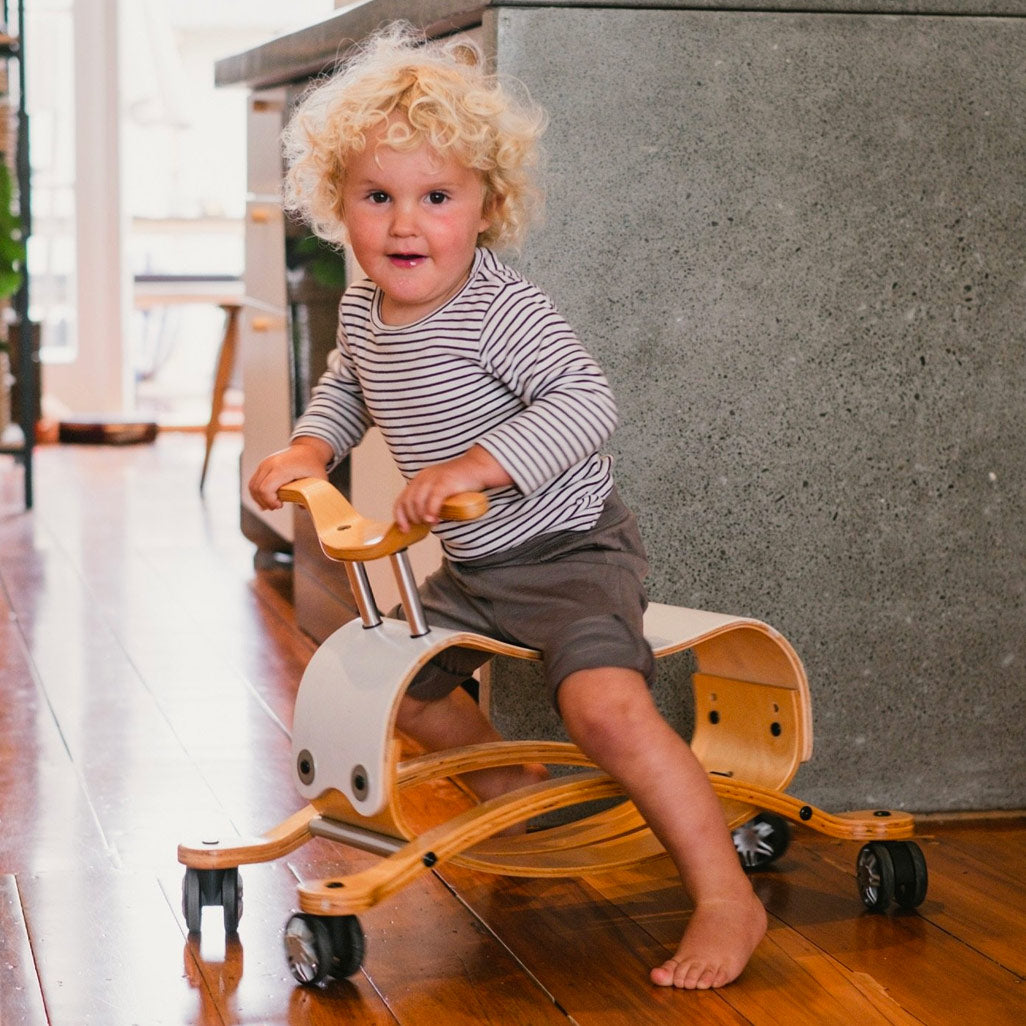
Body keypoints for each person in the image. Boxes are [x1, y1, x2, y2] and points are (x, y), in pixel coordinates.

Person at [248, 23, 766, 990]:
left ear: (487, 205)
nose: (406, 226)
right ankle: (506, 786)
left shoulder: (500, 309)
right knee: (396, 686)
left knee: (603, 708)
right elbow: (350, 386)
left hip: (571, 555)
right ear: (337, 202)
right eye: (378, 197)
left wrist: (479, 464)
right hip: (477, 567)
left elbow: (587, 402)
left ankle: (724, 894)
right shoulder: (364, 309)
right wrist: (312, 446)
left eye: (437, 198)